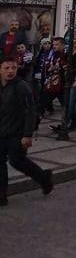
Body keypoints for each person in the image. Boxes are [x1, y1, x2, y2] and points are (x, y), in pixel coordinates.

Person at [0, 56, 53, 207]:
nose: (10, 71)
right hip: (1, 131)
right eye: (7, 68)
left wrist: (27, 135)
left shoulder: (21, 87)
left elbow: (31, 111)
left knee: (17, 161)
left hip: (17, 132)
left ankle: (43, 178)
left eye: (14, 68)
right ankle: (2, 195)